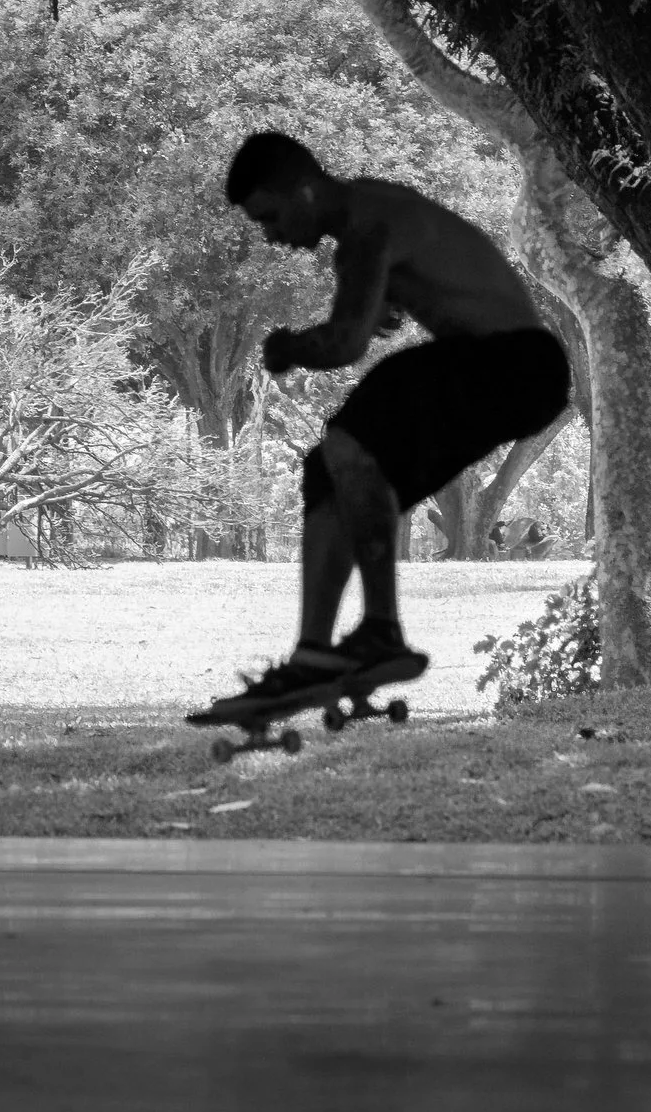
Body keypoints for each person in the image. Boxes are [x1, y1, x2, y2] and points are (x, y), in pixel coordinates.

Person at [203, 129, 572, 721]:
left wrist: (290, 346)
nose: (271, 236)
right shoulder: (369, 210)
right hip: (511, 373)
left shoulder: (367, 225)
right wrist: (384, 306)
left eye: (269, 217)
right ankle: (314, 654)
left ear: (302, 191)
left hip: (518, 364)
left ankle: (379, 631)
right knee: (331, 470)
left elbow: (346, 343)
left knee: (354, 434)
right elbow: (396, 301)